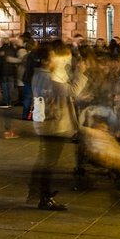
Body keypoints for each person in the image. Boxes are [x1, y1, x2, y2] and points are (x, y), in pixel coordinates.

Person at [29, 41, 80, 210]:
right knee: (49, 162)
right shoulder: (47, 77)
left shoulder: (39, 75)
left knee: (45, 160)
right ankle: (44, 197)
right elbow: (71, 91)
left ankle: (38, 192)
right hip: (53, 125)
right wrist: (81, 73)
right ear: (46, 60)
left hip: (45, 122)